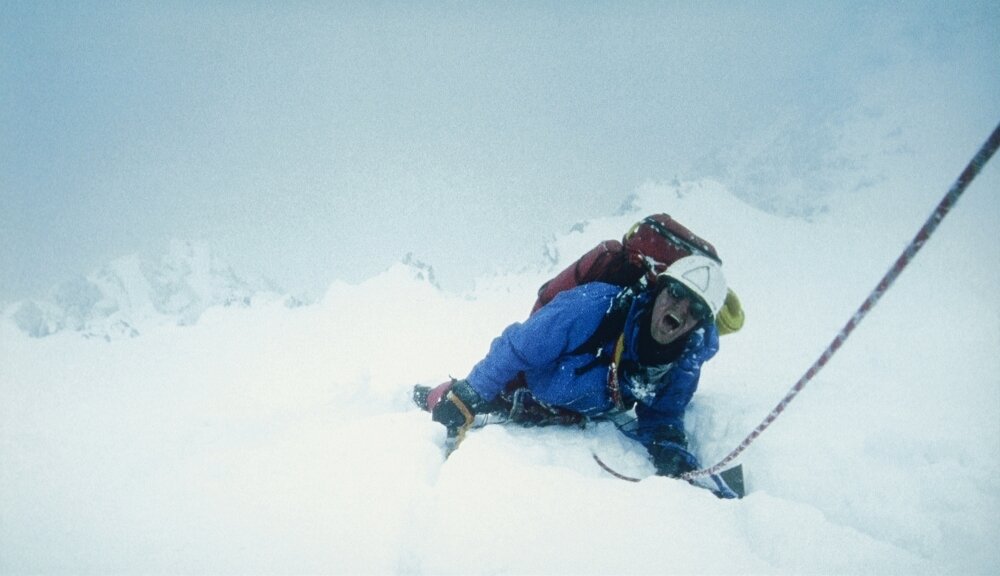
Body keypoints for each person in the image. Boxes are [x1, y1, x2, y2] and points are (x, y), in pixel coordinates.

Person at [416, 254, 732, 489]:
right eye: (676, 294)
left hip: (584, 407)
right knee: (444, 400)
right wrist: (471, 393)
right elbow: (518, 347)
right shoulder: (593, 307)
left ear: (700, 325)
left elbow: (663, 414)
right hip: (528, 384)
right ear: (659, 290)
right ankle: (420, 399)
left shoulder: (683, 361)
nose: (680, 309)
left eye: (697, 309)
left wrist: (669, 449)